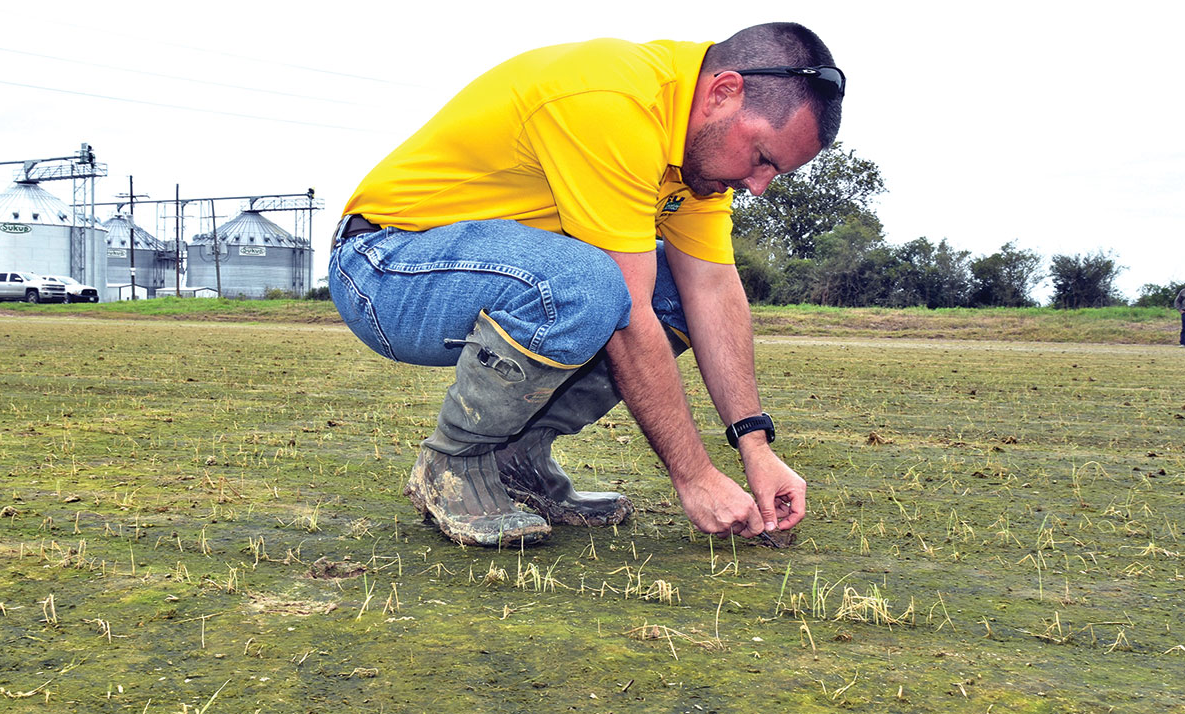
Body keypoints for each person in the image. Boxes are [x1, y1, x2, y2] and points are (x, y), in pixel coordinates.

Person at [328, 23, 843, 548]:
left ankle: (516, 459)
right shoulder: (612, 102)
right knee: (591, 285)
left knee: (671, 294)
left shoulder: (696, 162)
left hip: (486, 273)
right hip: (385, 266)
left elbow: (711, 290)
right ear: (722, 92)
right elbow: (627, 315)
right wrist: (695, 477)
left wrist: (755, 447)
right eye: (762, 159)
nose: (757, 186)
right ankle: (455, 464)